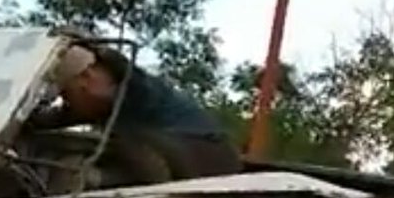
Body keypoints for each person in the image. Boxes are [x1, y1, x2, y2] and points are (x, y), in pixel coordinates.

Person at [31, 39, 242, 182]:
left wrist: (104, 54)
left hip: (208, 153)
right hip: (185, 155)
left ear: (87, 79)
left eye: (68, 95)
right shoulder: (96, 105)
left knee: (124, 144)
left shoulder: (136, 89)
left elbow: (127, 77)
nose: (68, 103)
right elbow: (57, 117)